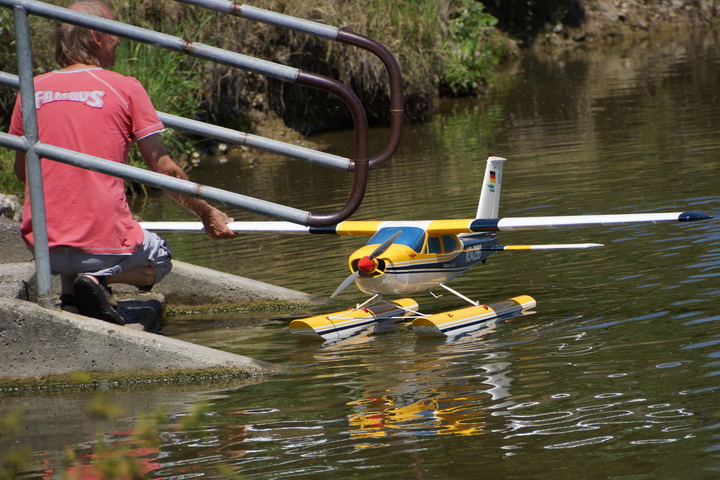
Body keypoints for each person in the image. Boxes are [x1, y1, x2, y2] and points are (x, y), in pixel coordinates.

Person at [9, 0, 237, 325]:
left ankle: (71, 297)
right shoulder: (124, 87)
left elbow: (22, 172)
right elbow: (164, 169)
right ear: (98, 37)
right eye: (116, 33)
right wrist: (206, 211)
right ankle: (101, 281)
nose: (119, 41)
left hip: (45, 249)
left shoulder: (30, 91)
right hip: (103, 246)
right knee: (160, 260)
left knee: (69, 220)